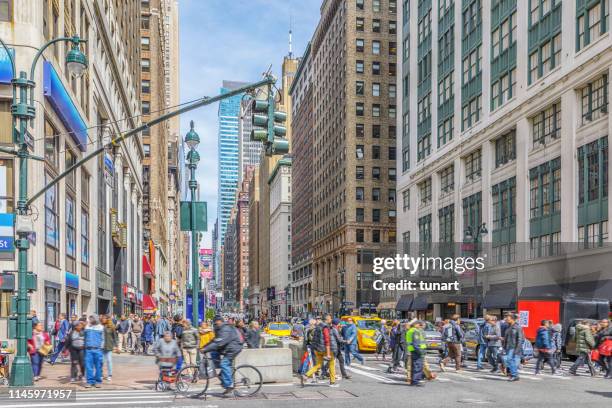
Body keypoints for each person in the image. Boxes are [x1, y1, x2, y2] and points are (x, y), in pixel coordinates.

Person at [200, 316, 245, 396]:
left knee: (224, 364)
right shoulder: (220, 328)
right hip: (230, 347)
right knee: (221, 367)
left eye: (216, 322)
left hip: (234, 347)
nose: (215, 324)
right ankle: (226, 383)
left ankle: (229, 385)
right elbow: (214, 340)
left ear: (220, 321)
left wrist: (205, 349)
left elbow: (219, 343)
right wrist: (205, 347)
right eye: (214, 323)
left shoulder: (225, 329)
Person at [302, 314, 338, 387]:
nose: (331, 320)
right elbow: (327, 340)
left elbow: (314, 339)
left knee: (319, 365)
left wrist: (315, 348)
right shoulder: (325, 327)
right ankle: (332, 381)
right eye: (330, 319)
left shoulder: (317, 326)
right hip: (325, 349)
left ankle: (307, 374)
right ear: (327, 319)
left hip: (317, 349)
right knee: (331, 364)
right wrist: (328, 353)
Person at [83, 314, 105, 388]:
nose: (90, 320)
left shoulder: (101, 327)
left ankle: (98, 381)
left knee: (98, 366)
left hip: (97, 350)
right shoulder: (87, 327)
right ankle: (90, 381)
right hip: (88, 350)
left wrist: (101, 348)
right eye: (90, 318)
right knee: (89, 367)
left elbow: (103, 339)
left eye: (92, 318)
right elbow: (85, 337)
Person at [503, 313, 524, 382]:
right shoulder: (508, 327)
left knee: (510, 360)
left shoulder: (518, 327)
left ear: (512, 318)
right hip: (508, 346)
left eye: (508, 318)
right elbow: (506, 337)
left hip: (514, 347)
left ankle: (514, 375)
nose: (506, 319)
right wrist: (504, 346)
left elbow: (520, 339)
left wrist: (517, 349)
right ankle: (514, 375)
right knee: (510, 361)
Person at [406, 320, 426, 386]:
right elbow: (416, 343)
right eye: (418, 324)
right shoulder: (415, 331)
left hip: (412, 350)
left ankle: (413, 380)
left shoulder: (410, 331)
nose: (419, 325)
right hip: (417, 350)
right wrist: (420, 351)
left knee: (414, 365)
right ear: (415, 325)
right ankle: (415, 381)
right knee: (418, 366)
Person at [101, 314, 117, 381]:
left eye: (105, 318)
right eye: (102, 318)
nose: (103, 319)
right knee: (101, 361)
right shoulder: (100, 326)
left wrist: (115, 346)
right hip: (101, 346)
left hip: (109, 346)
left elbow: (115, 337)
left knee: (109, 361)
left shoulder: (111, 327)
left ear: (107, 319)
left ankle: (109, 374)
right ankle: (100, 374)